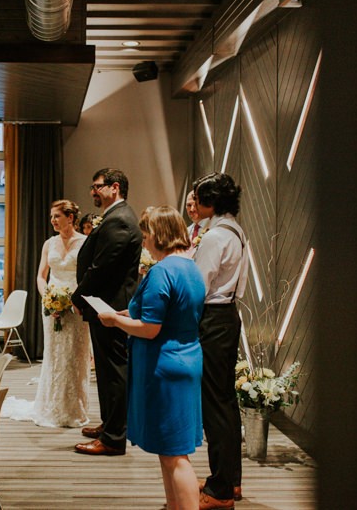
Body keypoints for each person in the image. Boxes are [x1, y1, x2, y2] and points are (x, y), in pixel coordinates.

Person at [99, 206, 205, 510]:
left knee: (174, 454)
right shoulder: (189, 267)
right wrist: (124, 313)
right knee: (169, 449)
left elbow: (149, 329)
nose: (144, 243)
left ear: (158, 235)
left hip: (165, 365)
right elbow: (170, 314)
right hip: (185, 359)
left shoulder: (162, 271)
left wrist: (114, 321)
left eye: (146, 237)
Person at [71, 168, 142, 456]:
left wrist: (77, 296)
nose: (92, 192)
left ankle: (114, 438)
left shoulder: (120, 220)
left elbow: (101, 267)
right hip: (105, 304)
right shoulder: (116, 216)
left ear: (115, 187)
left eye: (97, 186)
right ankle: (110, 424)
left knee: (113, 372)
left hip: (110, 306)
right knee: (105, 370)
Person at [1, 200, 92, 427]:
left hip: (76, 306)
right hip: (51, 307)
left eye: (57, 216)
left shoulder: (85, 243)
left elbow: (89, 276)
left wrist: (74, 299)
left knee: (74, 357)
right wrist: (48, 298)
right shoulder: (48, 243)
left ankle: (73, 409)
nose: (52, 220)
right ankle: (51, 406)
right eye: (51, 216)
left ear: (70, 217)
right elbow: (41, 276)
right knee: (54, 356)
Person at [192, 172, 249, 510]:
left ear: (209, 202)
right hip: (228, 317)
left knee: (215, 406)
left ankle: (220, 491)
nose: (194, 205)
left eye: (198, 199)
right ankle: (230, 480)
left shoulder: (214, 237)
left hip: (212, 318)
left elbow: (198, 286)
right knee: (226, 402)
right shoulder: (235, 229)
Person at [185, 185, 211, 259]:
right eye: (189, 205)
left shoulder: (213, 228)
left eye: (195, 205)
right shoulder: (185, 231)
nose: (192, 209)